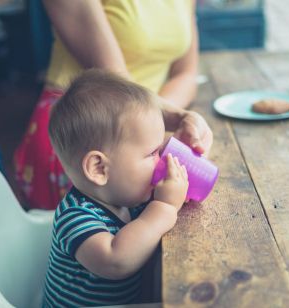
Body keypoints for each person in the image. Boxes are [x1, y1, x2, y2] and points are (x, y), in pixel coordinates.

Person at [14, 0, 213, 210]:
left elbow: (186, 74)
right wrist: (160, 123)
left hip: (144, 131)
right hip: (83, 134)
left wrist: (162, 126)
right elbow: (118, 87)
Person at [43, 69, 189, 307]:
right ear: (99, 168)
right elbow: (116, 260)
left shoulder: (125, 196)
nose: (161, 160)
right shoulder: (75, 216)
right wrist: (164, 206)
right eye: (152, 153)